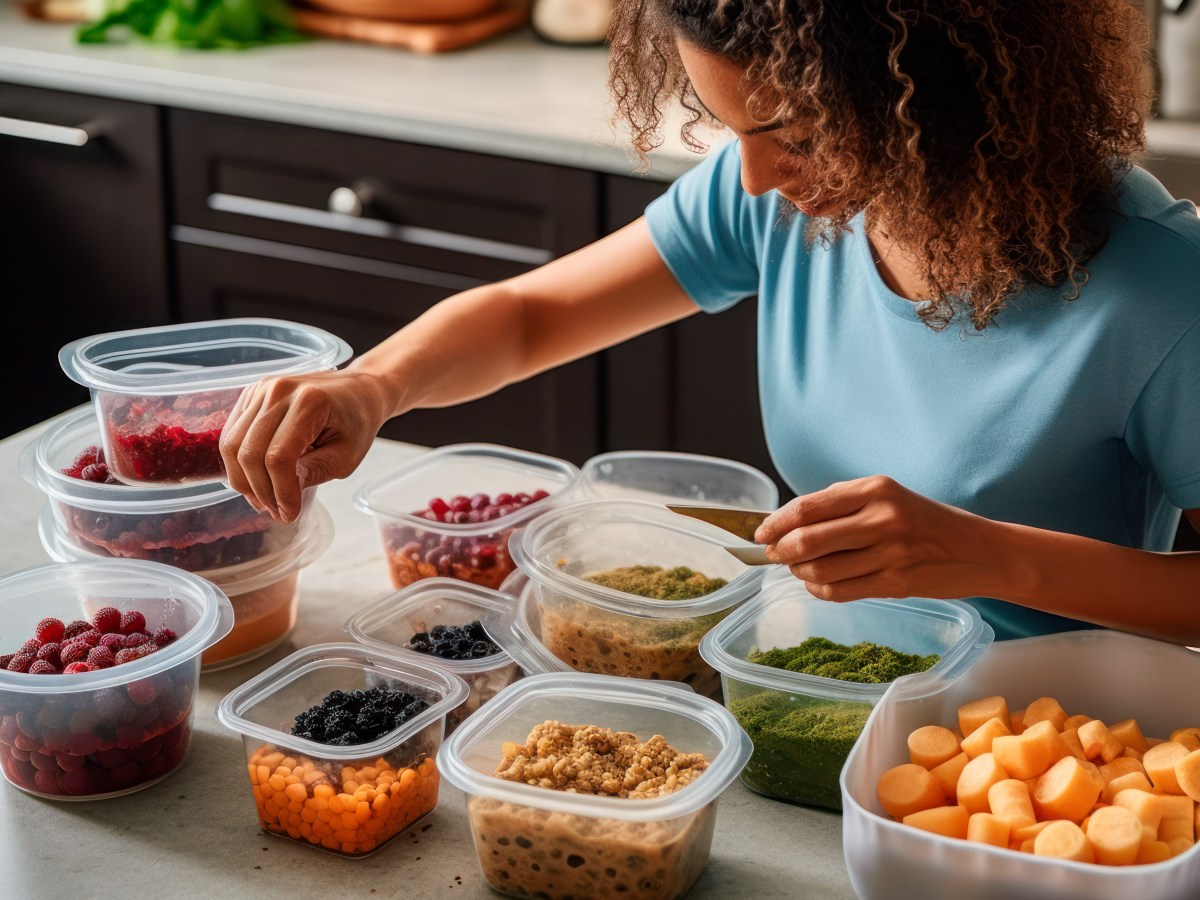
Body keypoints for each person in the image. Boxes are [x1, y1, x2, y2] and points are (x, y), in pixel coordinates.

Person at [219, 0, 1200, 645]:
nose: (758, 178)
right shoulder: (791, 197)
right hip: (819, 693)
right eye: (733, 131)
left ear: (944, 95)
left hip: (1046, 759)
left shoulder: (1160, 289)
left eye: (799, 136)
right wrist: (375, 384)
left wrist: (991, 554)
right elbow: (529, 316)